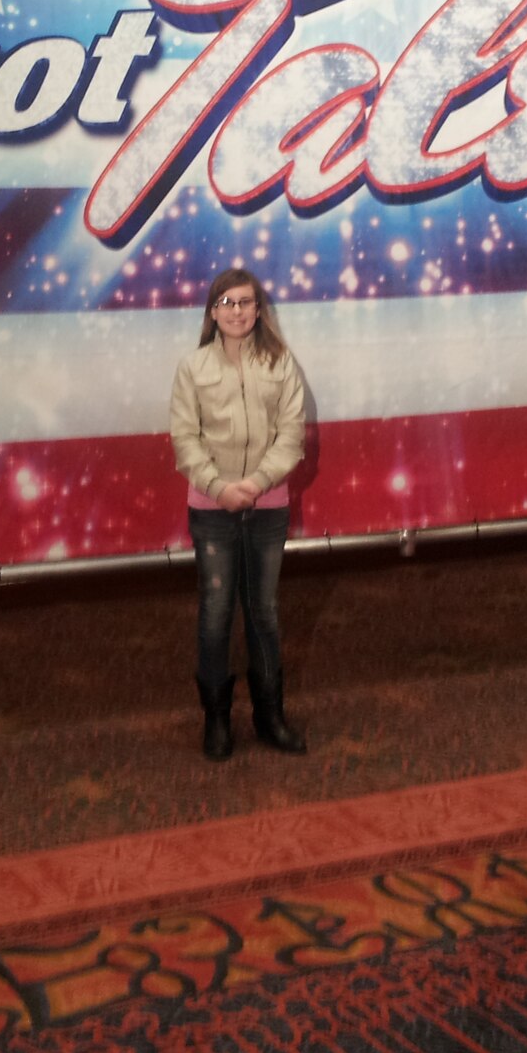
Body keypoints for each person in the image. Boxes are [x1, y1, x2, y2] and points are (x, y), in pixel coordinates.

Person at [168, 268, 308, 761]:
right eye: (226, 302)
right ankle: (217, 720)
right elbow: (185, 438)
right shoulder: (193, 366)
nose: (237, 310)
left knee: (264, 613)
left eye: (246, 302)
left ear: (258, 310)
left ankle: (270, 717)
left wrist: (256, 484)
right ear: (212, 312)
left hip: (267, 507)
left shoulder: (280, 362)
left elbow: (291, 433)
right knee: (215, 616)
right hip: (212, 510)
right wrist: (218, 488)